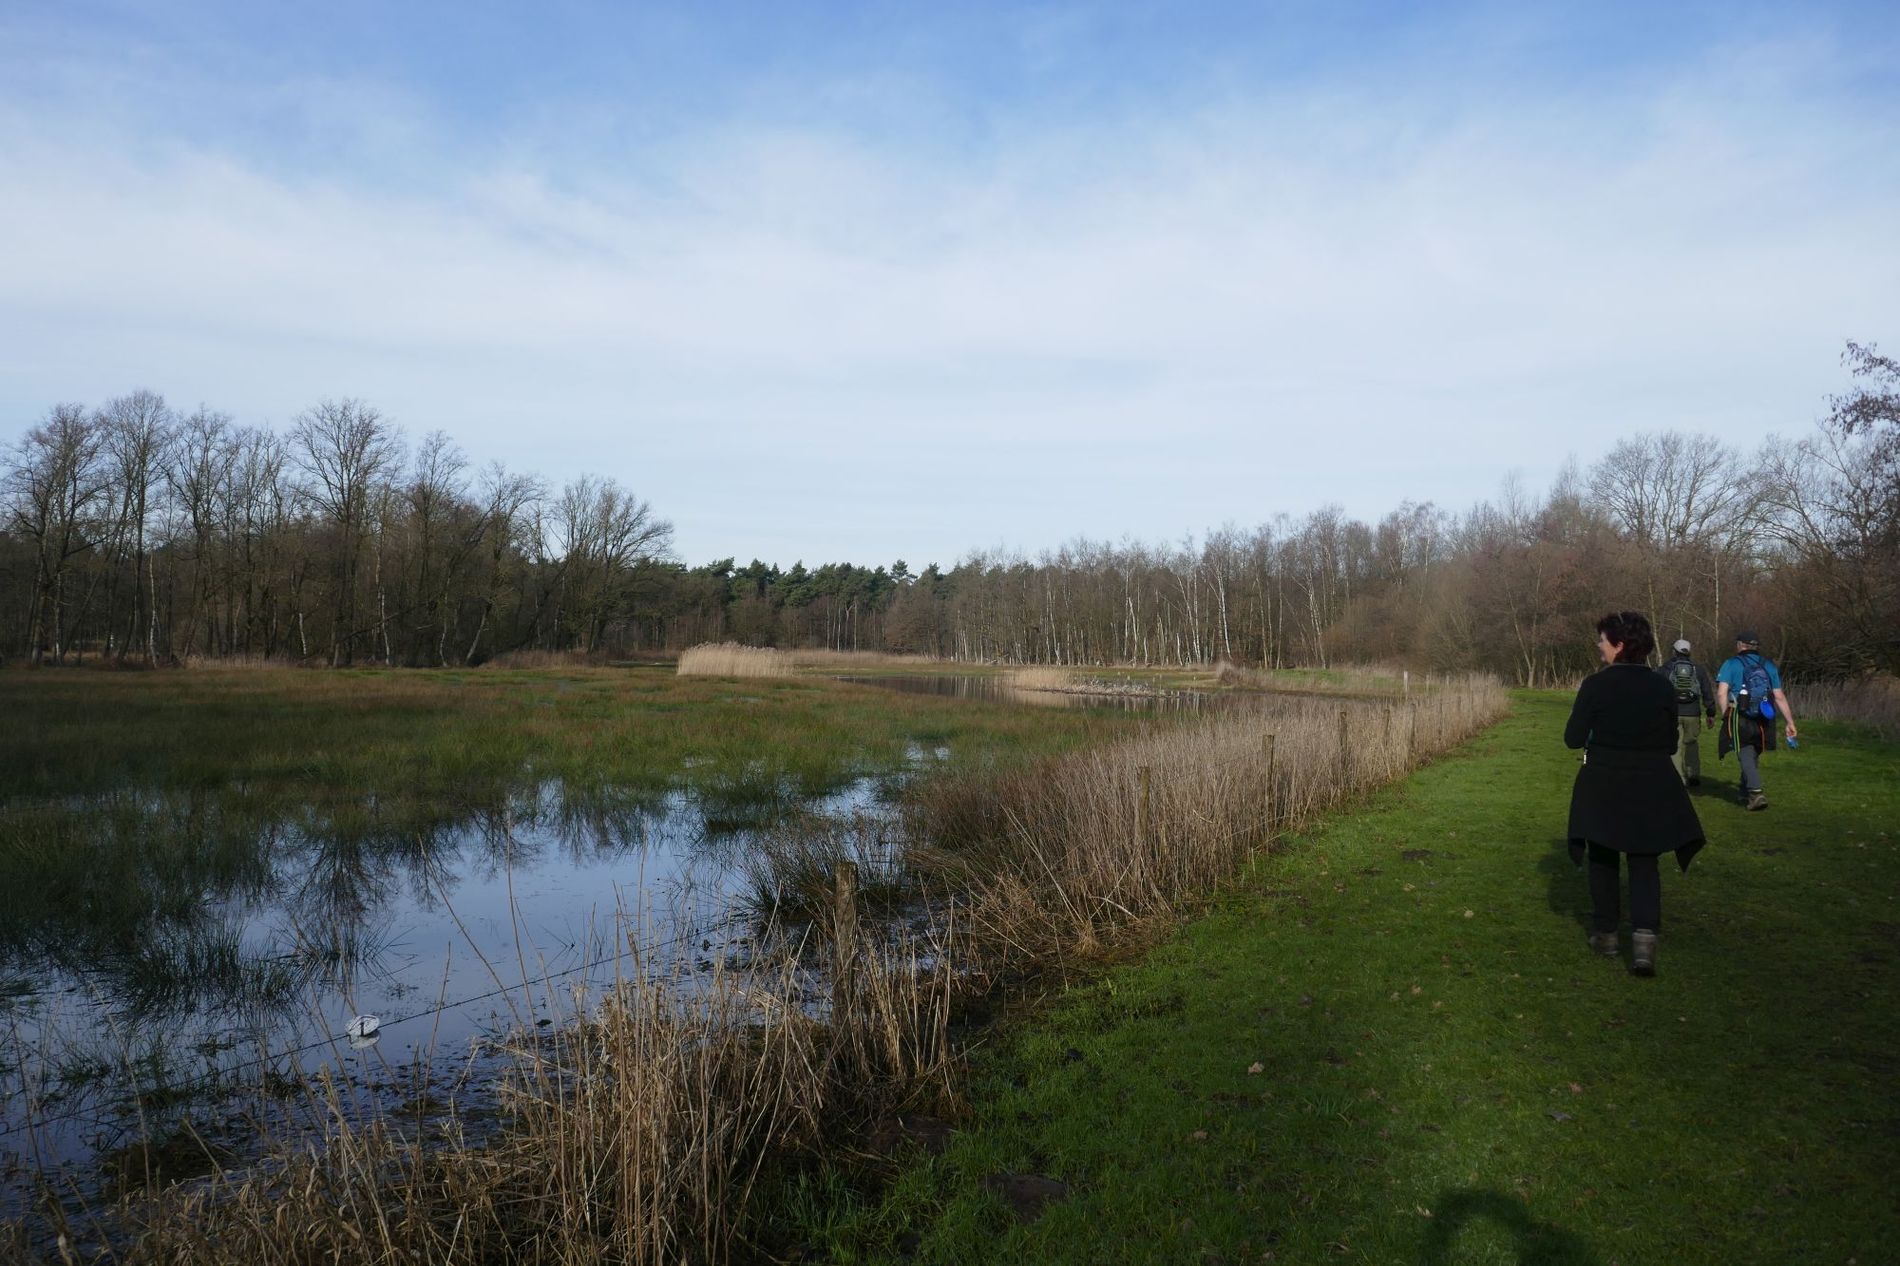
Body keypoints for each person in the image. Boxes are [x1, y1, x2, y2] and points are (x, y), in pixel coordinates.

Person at [1564, 611, 1706, 976]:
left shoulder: (1595, 686)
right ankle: (1644, 942)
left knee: (1604, 856)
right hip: (1651, 781)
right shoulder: (1661, 687)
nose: (1599, 646)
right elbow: (1670, 740)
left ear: (1619, 644)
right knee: (1645, 860)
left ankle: (1607, 934)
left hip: (1605, 782)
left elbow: (1573, 739)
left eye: (1603, 640)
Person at [1714, 631, 1798, 811]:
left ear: (1740, 645)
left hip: (1740, 715)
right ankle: (1745, 790)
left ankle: (1755, 792)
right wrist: (1790, 722)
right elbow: (1779, 696)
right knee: (1753, 753)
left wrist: (1725, 713)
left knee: (1744, 752)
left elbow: (1722, 692)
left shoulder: (1731, 664)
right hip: (1764, 716)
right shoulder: (1769, 665)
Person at [1655, 638, 1717, 785]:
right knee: (1692, 743)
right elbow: (1707, 691)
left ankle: (1678, 777)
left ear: (1674, 651)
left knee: (1674, 745)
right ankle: (1693, 774)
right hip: (1693, 713)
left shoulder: (1666, 668)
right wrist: (1711, 712)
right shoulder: (1698, 669)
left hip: (1672, 713)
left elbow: (1658, 690)